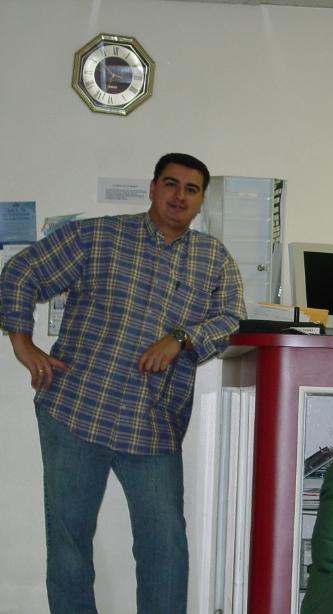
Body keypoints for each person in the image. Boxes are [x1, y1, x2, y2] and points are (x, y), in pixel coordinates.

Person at [0, 153, 246, 613]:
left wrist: (181, 337)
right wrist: (22, 344)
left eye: (191, 189)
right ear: (152, 188)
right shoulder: (97, 236)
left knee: (165, 545)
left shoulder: (213, 258)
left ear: (200, 201)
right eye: (170, 184)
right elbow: (21, 272)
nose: (179, 196)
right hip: (76, 409)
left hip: (154, 423)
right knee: (69, 543)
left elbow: (230, 318)